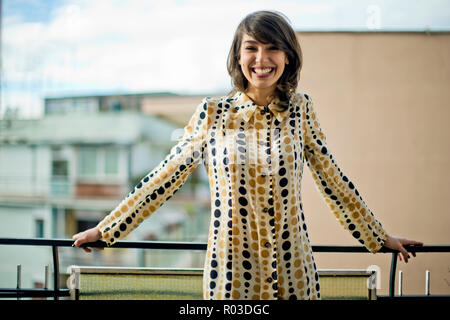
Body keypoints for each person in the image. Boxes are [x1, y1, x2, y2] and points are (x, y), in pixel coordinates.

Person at [73, 10, 423, 300]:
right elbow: (165, 178)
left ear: (288, 56)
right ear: (238, 57)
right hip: (230, 275)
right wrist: (108, 228)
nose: (261, 59)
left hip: (293, 273)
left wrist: (378, 238)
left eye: (273, 48)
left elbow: (333, 181)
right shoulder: (212, 113)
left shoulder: (301, 111)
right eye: (252, 48)